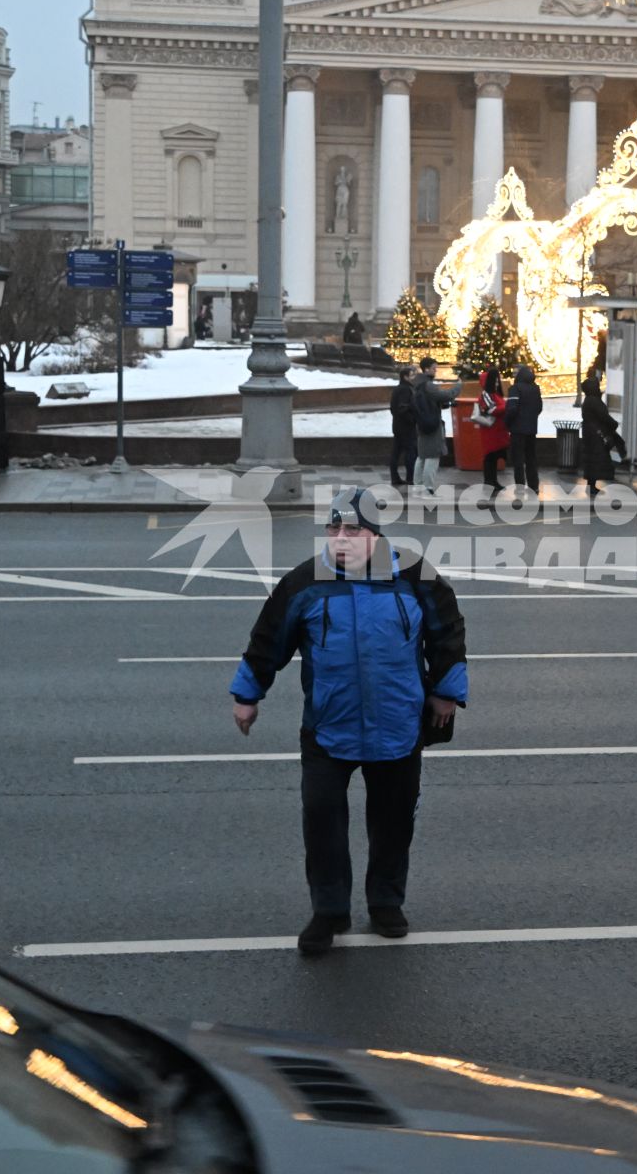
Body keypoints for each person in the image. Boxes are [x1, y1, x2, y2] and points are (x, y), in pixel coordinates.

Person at [230, 488, 468, 956]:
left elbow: (447, 632)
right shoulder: (305, 582)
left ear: (375, 535)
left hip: (398, 726)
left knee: (393, 822)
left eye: (352, 529)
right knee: (322, 821)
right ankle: (329, 911)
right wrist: (247, 694)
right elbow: (268, 638)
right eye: (333, 528)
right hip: (328, 727)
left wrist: (445, 691)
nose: (341, 538)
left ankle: (385, 903)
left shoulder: (415, 575)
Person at [410, 357, 457, 493]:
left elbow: (430, 402)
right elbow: (445, 395)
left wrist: (442, 405)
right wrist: (458, 387)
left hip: (422, 423)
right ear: (426, 369)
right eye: (434, 368)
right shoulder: (428, 385)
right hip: (431, 424)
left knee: (422, 456)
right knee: (432, 456)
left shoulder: (418, 383)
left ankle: (417, 485)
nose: (435, 370)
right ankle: (428, 487)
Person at [579, 374, 622, 495]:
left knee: (592, 459)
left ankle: (591, 485)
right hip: (596, 434)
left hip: (591, 433)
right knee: (595, 459)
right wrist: (614, 424)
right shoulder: (594, 401)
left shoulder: (590, 399)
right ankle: (592, 486)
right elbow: (604, 416)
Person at [504, 365, 543, 492]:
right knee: (531, 458)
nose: (514, 374)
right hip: (531, 429)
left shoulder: (515, 389)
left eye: (516, 372)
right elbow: (539, 407)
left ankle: (520, 486)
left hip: (517, 430)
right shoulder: (535, 388)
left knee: (518, 460)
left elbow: (512, 408)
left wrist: (507, 423)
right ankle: (534, 485)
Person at [476, 368, 509, 495]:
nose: (496, 384)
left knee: (493, 457)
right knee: (490, 457)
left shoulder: (493, 395)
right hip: (491, 432)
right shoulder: (486, 395)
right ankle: (489, 483)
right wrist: (506, 406)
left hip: (496, 431)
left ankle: (493, 482)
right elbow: (491, 410)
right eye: (494, 382)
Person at [388, 367, 418, 487]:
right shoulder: (405, 390)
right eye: (412, 375)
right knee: (410, 452)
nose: (414, 377)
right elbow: (403, 408)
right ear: (405, 377)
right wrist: (412, 419)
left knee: (396, 452)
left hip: (398, 426)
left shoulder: (398, 389)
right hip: (406, 427)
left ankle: (395, 477)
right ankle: (410, 478)